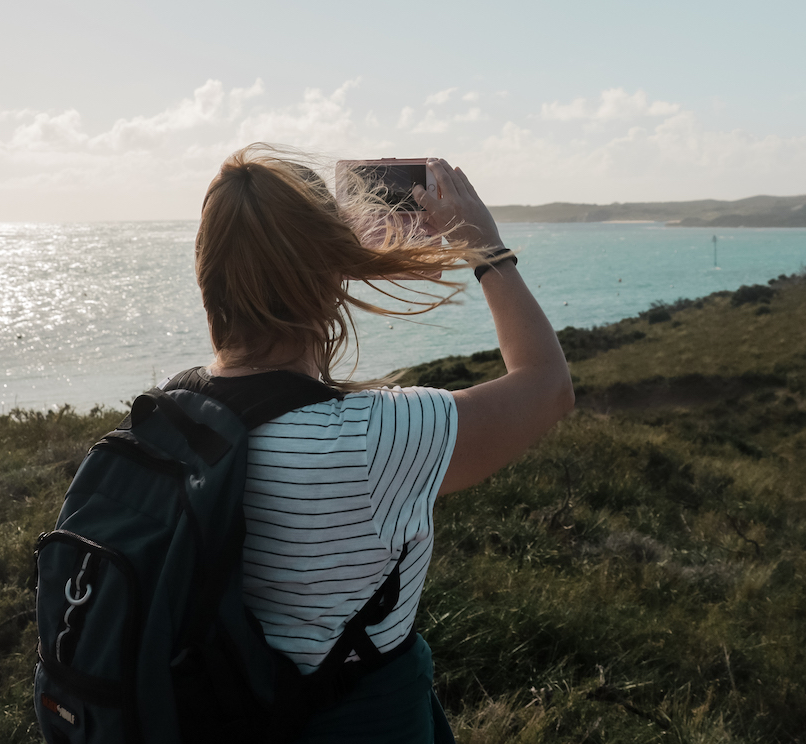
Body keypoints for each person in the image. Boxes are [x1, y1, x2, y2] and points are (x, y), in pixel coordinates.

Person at [173, 145, 573, 743]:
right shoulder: (371, 439)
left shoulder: (166, 414)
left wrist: (320, 263)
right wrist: (486, 249)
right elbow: (548, 387)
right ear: (329, 268)